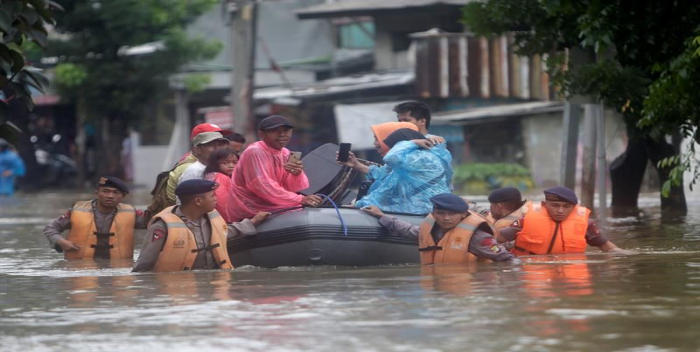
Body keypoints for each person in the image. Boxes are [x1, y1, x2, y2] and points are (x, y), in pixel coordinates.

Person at [133, 179, 270, 272]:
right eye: (212, 196)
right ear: (198, 201)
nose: (216, 198)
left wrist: (252, 222)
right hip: (178, 287)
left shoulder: (211, 218)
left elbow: (224, 233)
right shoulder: (162, 226)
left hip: (210, 283)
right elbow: (144, 264)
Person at [362, 193, 516, 263]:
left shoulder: (478, 237)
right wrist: (381, 216)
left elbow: (507, 258)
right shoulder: (431, 230)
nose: (446, 218)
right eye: (441, 213)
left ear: (463, 215)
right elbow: (408, 230)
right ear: (433, 214)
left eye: (452, 214)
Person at [229, 115, 322, 222]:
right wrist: (300, 199)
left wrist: (296, 174)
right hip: (251, 209)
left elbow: (292, 188)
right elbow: (261, 185)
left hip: (273, 205)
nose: (282, 135)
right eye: (275, 131)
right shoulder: (255, 151)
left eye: (286, 131)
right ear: (262, 134)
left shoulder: (285, 152)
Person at [346, 125, 452, 214]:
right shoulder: (406, 164)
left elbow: (390, 159)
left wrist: (412, 143)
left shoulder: (422, 158)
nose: (375, 144)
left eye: (395, 146)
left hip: (424, 212)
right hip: (415, 210)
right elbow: (384, 175)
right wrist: (356, 165)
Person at [43, 177, 148, 260]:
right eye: (106, 191)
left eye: (116, 192)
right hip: (80, 267)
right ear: (97, 193)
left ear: (123, 196)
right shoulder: (76, 211)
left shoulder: (131, 213)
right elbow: (50, 228)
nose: (110, 196)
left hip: (118, 267)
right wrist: (61, 242)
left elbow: (156, 224)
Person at [498, 186, 624, 255]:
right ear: (544, 204)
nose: (560, 211)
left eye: (566, 206)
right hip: (531, 272)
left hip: (569, 274)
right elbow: (497, 238)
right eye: (555, 205)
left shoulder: (586, 224)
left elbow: (607, 246)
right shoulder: (526, 220)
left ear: (574, 208)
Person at [203, 147, 239, 223]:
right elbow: (222, 202)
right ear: (215, 163)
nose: (231, 165)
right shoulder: (222, 178)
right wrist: (230, 220)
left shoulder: (210, 175)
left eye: (235, 162)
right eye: (225, 163)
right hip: (224, 219)